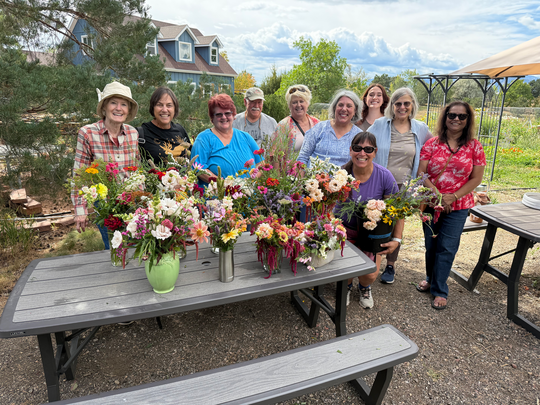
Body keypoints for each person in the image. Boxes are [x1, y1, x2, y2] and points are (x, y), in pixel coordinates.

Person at [416, 101, 486, 310]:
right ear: (445, 117)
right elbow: (422, 173)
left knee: (447, 247)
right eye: (452, 115)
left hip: (458, 205)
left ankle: (439, 289)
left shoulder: (475, 146)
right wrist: (437, 195)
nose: (456, 119)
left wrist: (453, 196)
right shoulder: (432, 143)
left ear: (467, 120)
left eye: (461, 116)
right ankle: (430, 277)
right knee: (431, 245)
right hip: (431, 202)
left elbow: (476, 178)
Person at [368, 87, 432, 284]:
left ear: (412, 105)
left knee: (397, 225)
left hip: (404, 187)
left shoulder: (420, 129)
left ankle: (390, 265)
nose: (402, 107)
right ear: (392, 106)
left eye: (406, 103)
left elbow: (433, 151)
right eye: (398, 103)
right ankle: (371, 262)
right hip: (380, 184)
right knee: (375, 221)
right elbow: (364, 144)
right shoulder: (380, 125)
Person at [337, 132, 403, 309]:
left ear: (375, 152)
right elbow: (327, 207)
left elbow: (397, 210)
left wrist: (396, 239)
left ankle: (365, 287)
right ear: (351, 150)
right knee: (346, 271)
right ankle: (347, 286)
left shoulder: (384, 176)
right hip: (344, 230)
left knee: (370, 274)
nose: (362, 153)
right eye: (357, 148)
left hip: (372, 233)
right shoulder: (341, 175)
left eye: (368, 149)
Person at [72, 81, 140, 249]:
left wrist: (143, 200)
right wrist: (80, 210)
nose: (119, 108)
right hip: (105, 204)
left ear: (128, 110)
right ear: (104, 107)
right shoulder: (87, 133)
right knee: (114, 249)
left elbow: (137, 170)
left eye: (124, 104)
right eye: (113, 102)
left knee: (136, 247)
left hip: (131, 202)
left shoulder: (132, 133)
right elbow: (79, 175)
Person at [192, 93, 263, 187]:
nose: (224, 117)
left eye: (228, 113)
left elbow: (261, 163)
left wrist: (250, 180)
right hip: (217, 199)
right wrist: (222, 183)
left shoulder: (246, 137)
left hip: (247, 197)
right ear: (212, 118)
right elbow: (197, 167)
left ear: (234, 115)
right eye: (219, 114)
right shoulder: (203, 139)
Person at [297, 89, 362, 167]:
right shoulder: (319, 128)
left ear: (355, 111)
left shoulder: (359, 136)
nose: (344, 109)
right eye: (340, 105)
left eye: (349, 106)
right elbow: (303, 158)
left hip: (345, 178)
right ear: (334, 108)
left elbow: (361, 164)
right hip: (312, 177)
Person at [138, 87, 191, 165]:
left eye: (169, 105)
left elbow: (191, 155)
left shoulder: (180, 130)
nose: (164, 110)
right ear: (153, 108)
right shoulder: (141, 133)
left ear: (175, 109)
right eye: (159, 105)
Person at [273, 84, 319, 152]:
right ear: (289, 105)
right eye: (294, 102)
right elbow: (274, 155)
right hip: (292, 162)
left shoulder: (317, 123)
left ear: (307, 103)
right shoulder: (283, 126)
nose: (298, 105)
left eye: (301, 101)